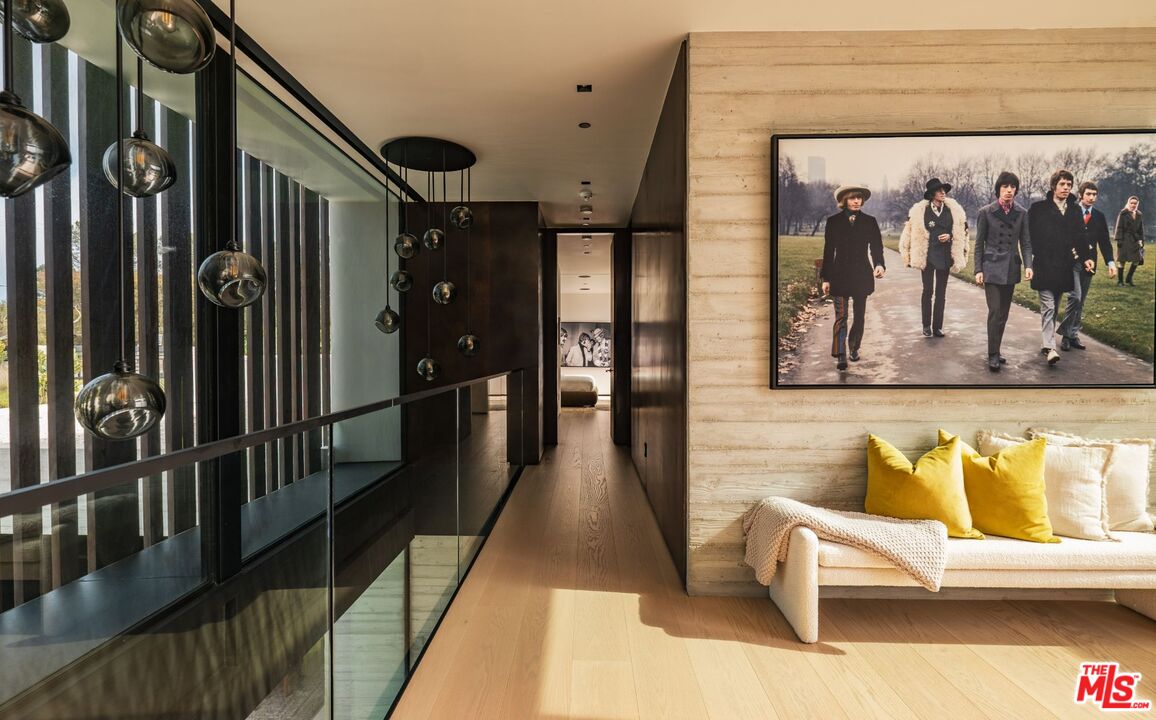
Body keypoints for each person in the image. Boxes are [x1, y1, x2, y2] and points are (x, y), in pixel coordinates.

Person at [1027, 169, 1094, 365]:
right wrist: (1029, 262)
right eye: (1062, 184)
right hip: (1044, 264)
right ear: (1054, 186)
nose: (1066, 188)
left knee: (1055, 306)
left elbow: (1080, 236)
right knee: (1048, 306)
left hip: (1064, 265)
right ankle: (1050, 347)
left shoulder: (1074, 210)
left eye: (1069, 185)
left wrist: (1086, 258)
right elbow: (1029, 237)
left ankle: (1047, 343)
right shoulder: (1038, 208)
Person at [820, 184, 885, 371]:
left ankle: (854, 348)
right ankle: (840, 354)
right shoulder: (833, 222)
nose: (857, 201)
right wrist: (825, 278)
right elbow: (828, 251)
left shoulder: (870, 221)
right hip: (838, 276)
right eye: (852, 198)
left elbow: (876, 247)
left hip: (861, 276)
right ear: (844, 200)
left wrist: (879, 264)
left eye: (859, 198)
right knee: (841, 316)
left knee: (859, 316)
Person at [974, 171, 1033, 372]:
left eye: (1012, 187)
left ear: (1016, 190)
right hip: (991, 268)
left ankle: (996, 350)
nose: (1009, 191)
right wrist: (978, 269)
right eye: (1005, 187)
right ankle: (992, 354)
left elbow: (1025, 242)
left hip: (1010, 268)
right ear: (998, 189)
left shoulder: (1022, 213)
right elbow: (978, 245)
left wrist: (1029, 265)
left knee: (1004, 314)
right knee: (995, 310)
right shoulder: (986, 212)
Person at [899, 177, 968, 337]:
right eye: (939, 190)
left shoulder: (953, 211)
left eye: (944, 190)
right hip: (928, 256)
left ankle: (937, 327)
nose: (943, 192)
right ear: (931, 194)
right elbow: (910, 232)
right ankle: (926, 325)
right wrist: (908, 254)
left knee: (941, 292)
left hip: (944, 256)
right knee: (927, 290)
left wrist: (950, 236)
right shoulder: (920, 212)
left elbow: (961, 231)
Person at [1058, 181, 1115, 351]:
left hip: (1090, 264)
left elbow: (1104, 242)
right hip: (1072, 261)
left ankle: (1073, 335)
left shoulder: (1099, 216)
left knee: (1081, 301)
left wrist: (1110, 262)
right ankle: (1066, 335)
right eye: (1088, 194)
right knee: (1075, 297)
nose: (1091, 197)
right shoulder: (1071, 212)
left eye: (1094, 194)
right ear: (1081, 194)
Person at [1115, 196, 1145, 286]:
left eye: (1135, 203)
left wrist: (1141, 240)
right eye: (1131, 203)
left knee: (1137, 259)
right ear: (1128, 203)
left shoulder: (1139, 214)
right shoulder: (1123, 213)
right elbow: (1119, 227)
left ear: (1137, 204)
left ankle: (1129, 278)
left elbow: (1140, 229)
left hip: (1135, 240)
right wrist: (1119, 239)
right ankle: (1120, 281)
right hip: (1124, 240)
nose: (1133, 205)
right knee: (1122, 260)